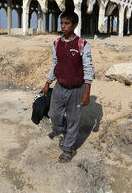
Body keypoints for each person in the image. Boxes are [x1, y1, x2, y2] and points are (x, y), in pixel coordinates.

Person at [43, 11, 95, 163]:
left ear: (75, 25)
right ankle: (64, 133)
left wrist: (87, 92)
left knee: (74, 119)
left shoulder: (82, 45)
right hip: (59, 86)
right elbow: (55, 64)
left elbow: (88, 69)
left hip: (76, 89)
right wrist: (47, 82)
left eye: (67, 23)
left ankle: (68, 148)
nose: (63, 26)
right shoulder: (56, 43)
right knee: (54, 114)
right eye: (62, 23)